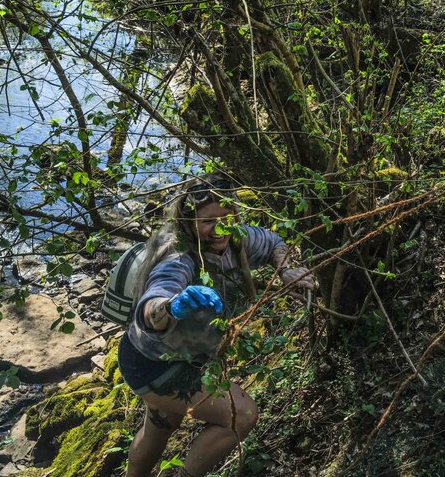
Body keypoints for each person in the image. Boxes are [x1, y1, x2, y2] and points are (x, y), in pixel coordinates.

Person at [118, 176, 315, 477]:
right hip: (154, 364)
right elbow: (153, 302)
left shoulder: (237, 239)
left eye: (226, 218)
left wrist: (286, 270)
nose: (220, 228)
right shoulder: (179, 257)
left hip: (173, 358)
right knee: (242, 415)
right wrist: (171, 306)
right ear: (189, 222)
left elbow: (274, 242)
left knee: (160, 428)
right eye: (209, 221)